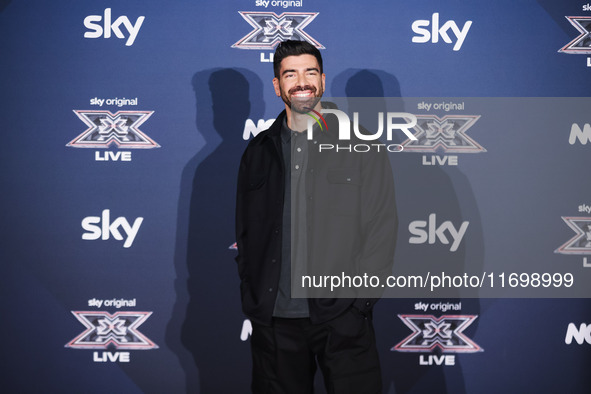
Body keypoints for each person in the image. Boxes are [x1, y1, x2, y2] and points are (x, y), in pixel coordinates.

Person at [235, 40, 397, 393]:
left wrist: (360, 303)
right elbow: (246, 234)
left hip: (341, 318)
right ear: (278, 86)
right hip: (274, 322)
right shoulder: (258, 152)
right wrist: (254, 297)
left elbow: (382, 227)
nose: (301, 81)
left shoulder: (361, 145)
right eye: (290, 74)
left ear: (323, 80)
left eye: (310, 72)